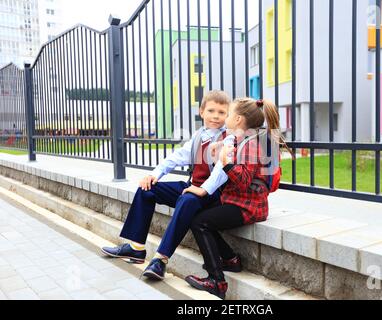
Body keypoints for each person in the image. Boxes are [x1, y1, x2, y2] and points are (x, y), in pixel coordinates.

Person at [102, 90, 239, 281]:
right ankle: (136, 248)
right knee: (147, 189)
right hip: (193, 187)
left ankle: (160, 260)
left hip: (212, 194)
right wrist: (154, 175)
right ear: (201, 111)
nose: (216, 116)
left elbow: (221, 170)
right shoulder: (198, 136)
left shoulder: (229, 138)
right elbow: (176, 158)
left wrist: (203, 189)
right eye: (211, 110)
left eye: (222, 112)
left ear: (228, 115)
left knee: (188, 199)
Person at [185, 98, 291, 299]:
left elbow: (243, 181)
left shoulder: (251, 144)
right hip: (239, 202)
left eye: (229, 113)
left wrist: (225, 163)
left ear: (239, 119)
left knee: (200, 222)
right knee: (200, 216)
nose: (226, 117)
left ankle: (217, 281)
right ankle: (230, 260)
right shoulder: (241, 139)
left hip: (248, 207)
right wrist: (219, 153)